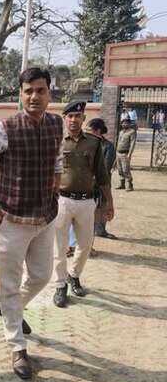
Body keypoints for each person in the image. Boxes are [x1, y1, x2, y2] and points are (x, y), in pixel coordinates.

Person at [0, 67, 63, 380]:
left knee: (42, 276)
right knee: (10, 284)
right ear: (20, 95)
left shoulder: (57, 124)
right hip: (12, 220)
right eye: (28, 91)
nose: (34, 96)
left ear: (49, 93)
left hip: (45, 216)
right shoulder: (5, 128)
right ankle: (17, 346)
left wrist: (54, 189)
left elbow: (58, 160)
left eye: (40, 90)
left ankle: (10, 308)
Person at [53, 101, 114, 309]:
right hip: (62, 201)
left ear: (83, 119)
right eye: (70, 116)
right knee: (60, 247)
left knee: (85, 245)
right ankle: (60, 285)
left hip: (87, 201)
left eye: (77, 116)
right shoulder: (56, 142)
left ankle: (74, 275)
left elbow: (103, 176)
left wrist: (109, 203)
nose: (73, 120)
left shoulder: (94, 143)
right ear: (65, 118)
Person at [87, 118, 116, 239]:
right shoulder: (87, 144)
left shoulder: (108, 146)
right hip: (87, 182)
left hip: (102, 182)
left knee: (103, 205)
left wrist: (95, 178)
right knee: (89, 208)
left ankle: (101, 230)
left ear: (98, 130)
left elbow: (106, 166)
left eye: (91, 130)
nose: (88, 132)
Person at [116, 117, 137, 192]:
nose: (124, 124)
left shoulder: (132, 132)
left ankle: (130, 185)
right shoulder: (121, 132)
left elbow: (132, 143)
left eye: (126, 123)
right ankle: (122, 184)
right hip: (118, 153)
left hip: (125, 153)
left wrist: (130, 154)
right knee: (120, 169)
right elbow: (118, 142)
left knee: (126, 169)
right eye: (123, 123)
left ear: (129, 124)